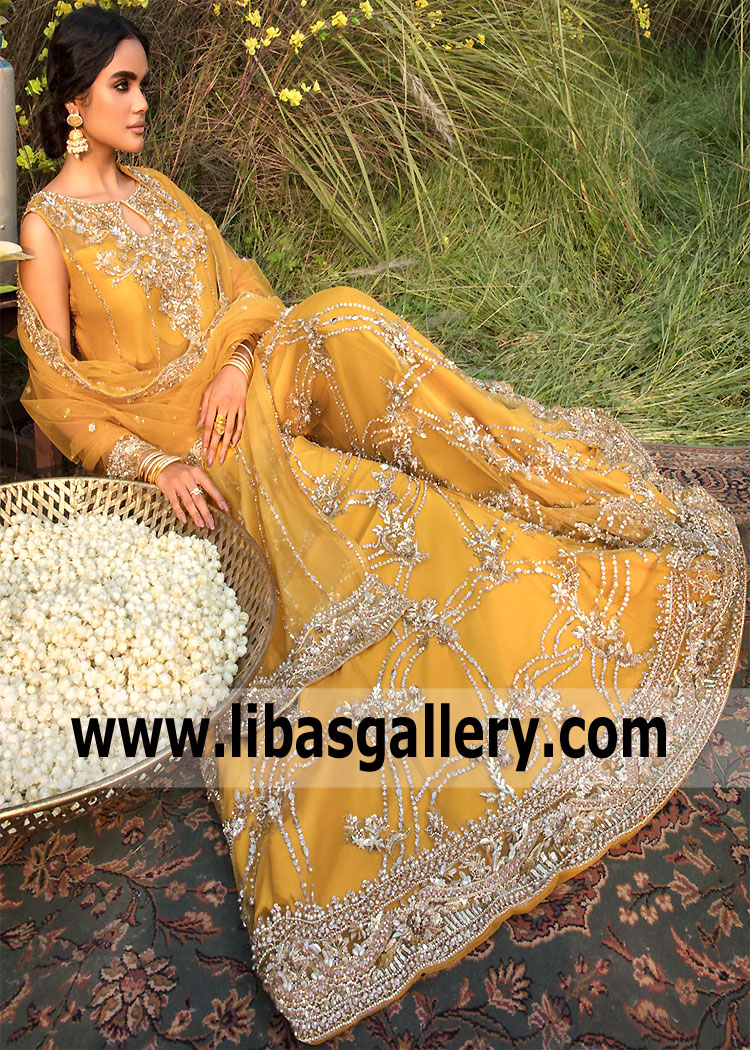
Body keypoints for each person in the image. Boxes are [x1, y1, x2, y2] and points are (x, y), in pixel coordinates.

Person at [15, 8, 746, 1044]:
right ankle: (455, 509)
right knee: (384, 515)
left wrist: (238, 362)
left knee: (345, 317)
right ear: (75, 100)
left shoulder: (160, 191)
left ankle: (513, 459)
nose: (142, 104)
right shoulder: (49, 227)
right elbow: (61, 396)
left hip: (249, 387)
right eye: (123, 86)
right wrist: (155, 464)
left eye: (145, 85)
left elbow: (246, 288)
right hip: (199, 446)